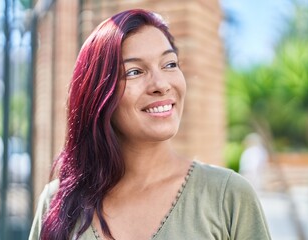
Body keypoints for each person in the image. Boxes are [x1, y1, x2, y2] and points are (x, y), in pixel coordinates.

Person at [29, 9, 271, 240]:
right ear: (98, 95)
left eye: (170, 64)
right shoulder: (58, 201)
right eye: (134, 71)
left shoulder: (228, 196)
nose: (161, 84)